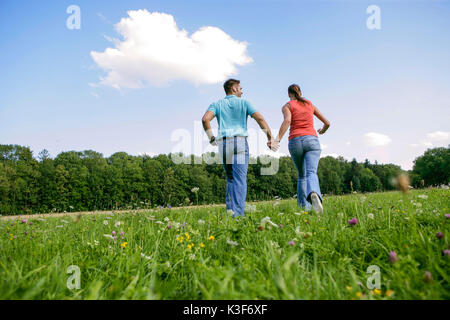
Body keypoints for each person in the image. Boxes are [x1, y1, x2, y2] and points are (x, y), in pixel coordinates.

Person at [202, 79, 274, 218]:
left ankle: (230, 211)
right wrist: (270, 137)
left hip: (223, 143)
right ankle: (238, 216)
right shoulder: (244, 102)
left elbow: (205, 119)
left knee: (230, 178)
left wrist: (211, 137)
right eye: (240, 88)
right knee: (240, 179)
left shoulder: (216, 104)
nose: (242, 91)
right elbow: (260, 118)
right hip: (240, 142)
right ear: (234, 89)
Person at [271, 84, 330, 213]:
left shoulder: (287, 106)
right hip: (312, 141)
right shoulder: (310, 104)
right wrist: (322, 131)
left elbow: (287, 121)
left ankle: (304, 208)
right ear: (300, 92)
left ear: (288, 94)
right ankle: (314, 193)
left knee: (302, 175)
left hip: (295, 141)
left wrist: (277, 140)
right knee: (311, 172)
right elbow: (327, 123)